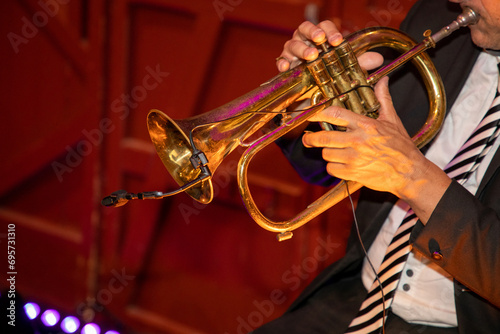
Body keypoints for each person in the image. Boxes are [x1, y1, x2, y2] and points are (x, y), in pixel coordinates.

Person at [252, 0, 500, 333]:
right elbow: (320, 169)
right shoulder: (437, 15)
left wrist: (414, 177)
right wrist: (307, 100)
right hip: (358, 294)